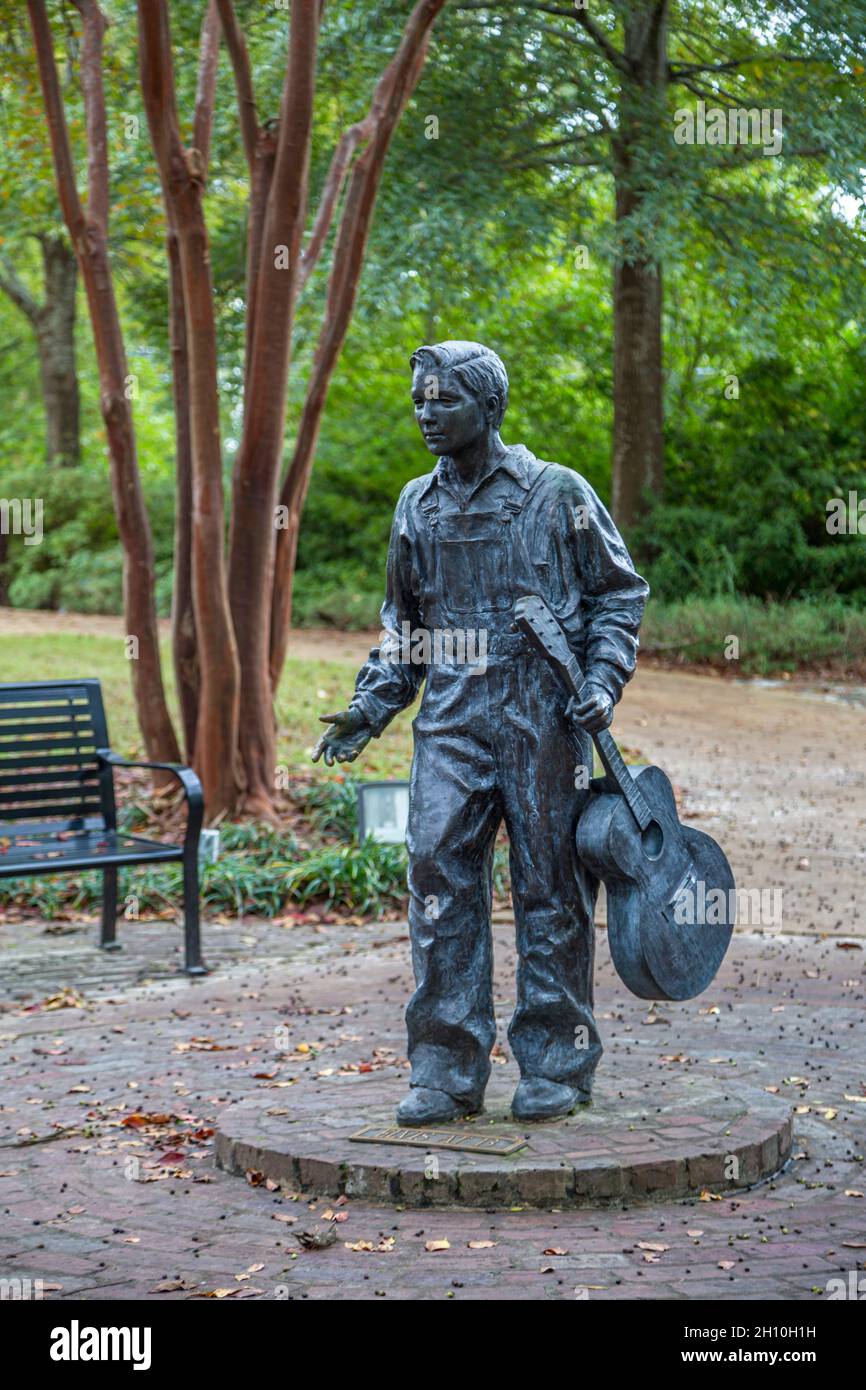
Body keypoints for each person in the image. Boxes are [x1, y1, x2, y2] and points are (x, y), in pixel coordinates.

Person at [313, 341, 649, 1123]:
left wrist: (603, 681)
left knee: (550, 885)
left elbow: (618, 594)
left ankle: (557, 1061)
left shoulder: (556, 492)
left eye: (444, 399)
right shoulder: (416, 506)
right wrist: (371, 705)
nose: (426, 413)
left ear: (489, 406)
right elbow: (405, 628)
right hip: (451, 725)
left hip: (545, 722)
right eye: (419, 400)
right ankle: (444, 1066)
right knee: (436, 879)